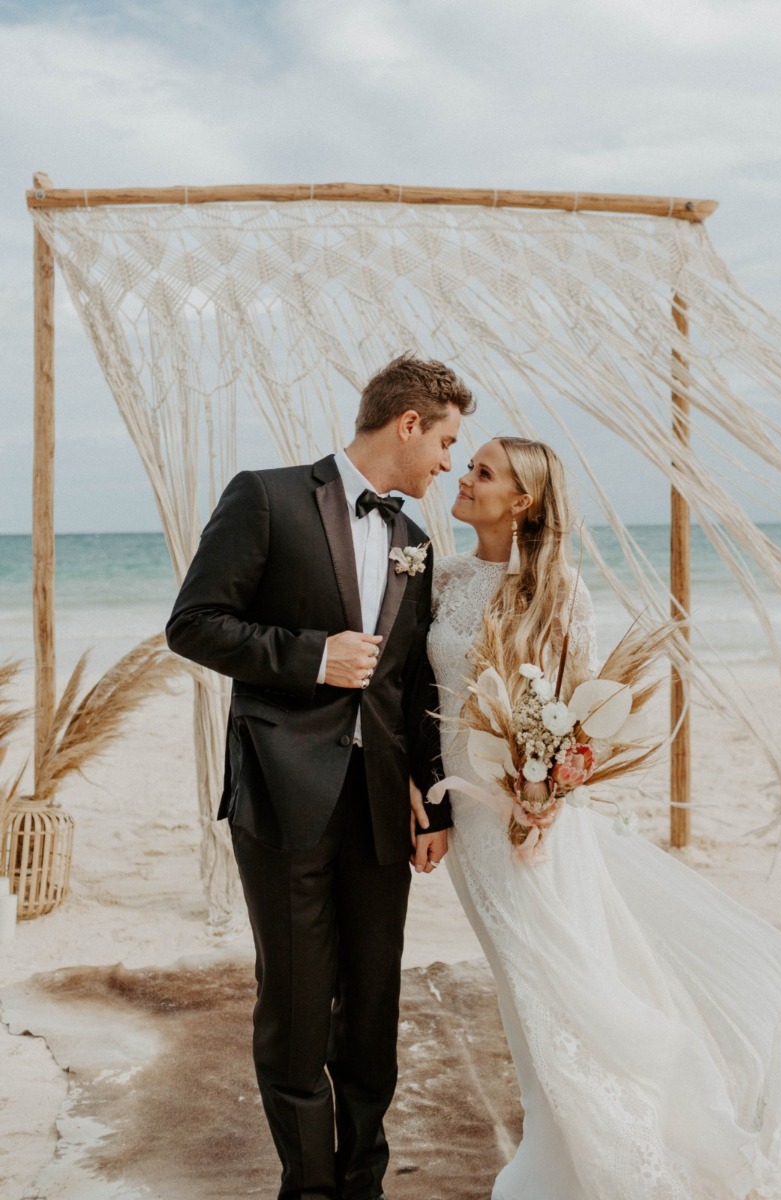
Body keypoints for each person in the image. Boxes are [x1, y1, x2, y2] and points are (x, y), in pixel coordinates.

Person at [420, 435, 781, 1200]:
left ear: (521, 501)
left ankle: (583, 1160)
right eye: (468, 465)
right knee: (516, 985)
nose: (464, 478)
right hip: (469, 819)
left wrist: (544, 803)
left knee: (552, 986)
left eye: (482, 471)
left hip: (531, 829)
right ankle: (549, 1141)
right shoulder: (446, 577)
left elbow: (578, 722)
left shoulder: (560, 591)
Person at [166, 354, 475, 1200]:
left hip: (380, 810)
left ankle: (362, 1181)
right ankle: (308, 1187)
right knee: (300, 1009)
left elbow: (415, 686)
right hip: (281, 794)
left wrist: (434, 794)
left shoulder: (415, 542)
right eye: (447, 440)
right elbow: (194, 625)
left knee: (373, 1010)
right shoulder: (264, 496)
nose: (451, 461)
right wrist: (313, 657)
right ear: (408, 425)